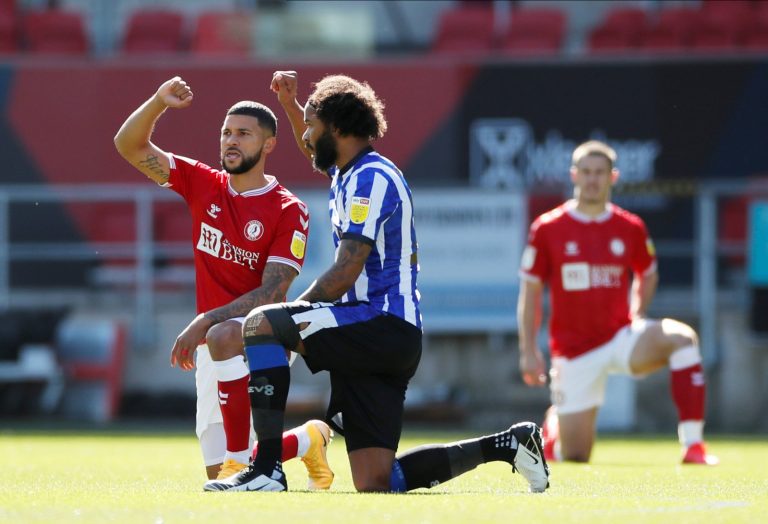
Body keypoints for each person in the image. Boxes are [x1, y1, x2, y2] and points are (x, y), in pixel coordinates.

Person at [203, 71, 549, 493]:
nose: (307, 136)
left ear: (339, 129)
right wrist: (293, 106)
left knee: (261, 323)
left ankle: (267, 471)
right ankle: (510, 444)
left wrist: (291, 319)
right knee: (377, 482)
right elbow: (312, 144)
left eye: (313, 125)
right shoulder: (348, 171)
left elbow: (348, 268)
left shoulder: (371, 178)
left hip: (378, 323)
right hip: (385, 336)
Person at [113, 76, 335, 489]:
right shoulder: (204, 183)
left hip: (258, 341)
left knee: (235, 470)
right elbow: (129, 146)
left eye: (244, 134)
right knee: (218, 476)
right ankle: (306, 439)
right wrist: (158, 102)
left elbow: (272, 293)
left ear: (268, 145)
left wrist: (204, 321)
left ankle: (248, 459)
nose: (231, 141)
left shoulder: (289, 209)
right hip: (212, 343)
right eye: (226, 133)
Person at [517, 140, 717, 465]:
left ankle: (693, 446)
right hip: (573, 350)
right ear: (574, 175)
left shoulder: (630, 226)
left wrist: (637, 312)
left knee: (683, 339)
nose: (592, 179)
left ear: (613, 177)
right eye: (586, 172)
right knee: (577, 455)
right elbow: (530, 291)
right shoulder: (548, 228)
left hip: (620, 337)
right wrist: (528, 350)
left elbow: (648, 273)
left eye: (600, 172)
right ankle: (555, 427)